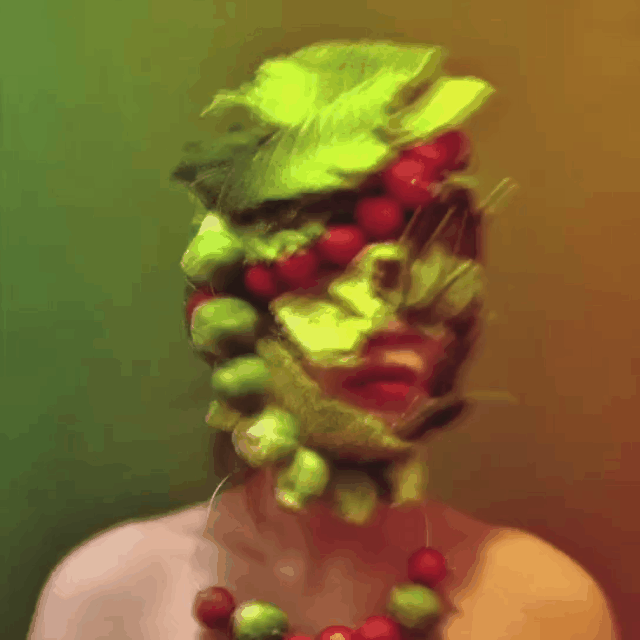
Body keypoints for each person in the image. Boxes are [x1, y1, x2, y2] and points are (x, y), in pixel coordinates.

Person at [28, 40, 618, 640]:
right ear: (242, 324)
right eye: (329, 282)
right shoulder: (107, 598)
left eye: (423, 289)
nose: (388, 326)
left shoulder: (550, 606)